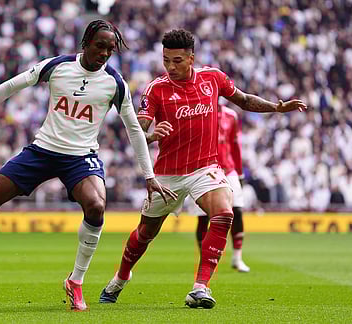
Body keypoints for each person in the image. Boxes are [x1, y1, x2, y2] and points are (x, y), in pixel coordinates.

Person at [0, 20, 177, 312]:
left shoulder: (115, 83)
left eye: (111, 49)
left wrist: (149, 175)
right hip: (43, 150)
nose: (105, 53)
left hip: (81, 158)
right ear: (86, 43)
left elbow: (133, 129)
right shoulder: (58, 66)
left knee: (96, 206)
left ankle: (76, 281)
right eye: (100, 46)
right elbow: (9, 87)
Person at [99, 29, 306, 309]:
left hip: (204, 168)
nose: (171, 67)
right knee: (145, 233)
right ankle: (121, 278)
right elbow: (139, 129)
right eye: (166, 60)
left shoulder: (213, 78)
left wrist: (276, 108)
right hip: (168, 174)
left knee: (224, 213)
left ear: (191, 59)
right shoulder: (156, 89)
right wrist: (151, 135)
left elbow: (244, 100)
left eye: (177, 60)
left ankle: (200, 288)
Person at [186, 104, 250, 273]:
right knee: (203, 218)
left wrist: (240, 174)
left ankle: (237, 257)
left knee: (237, 211)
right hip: (204, 170)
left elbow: (235, 146)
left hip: (228, 171)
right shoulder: (196, 112)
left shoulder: (231, 115)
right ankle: (205, 258)